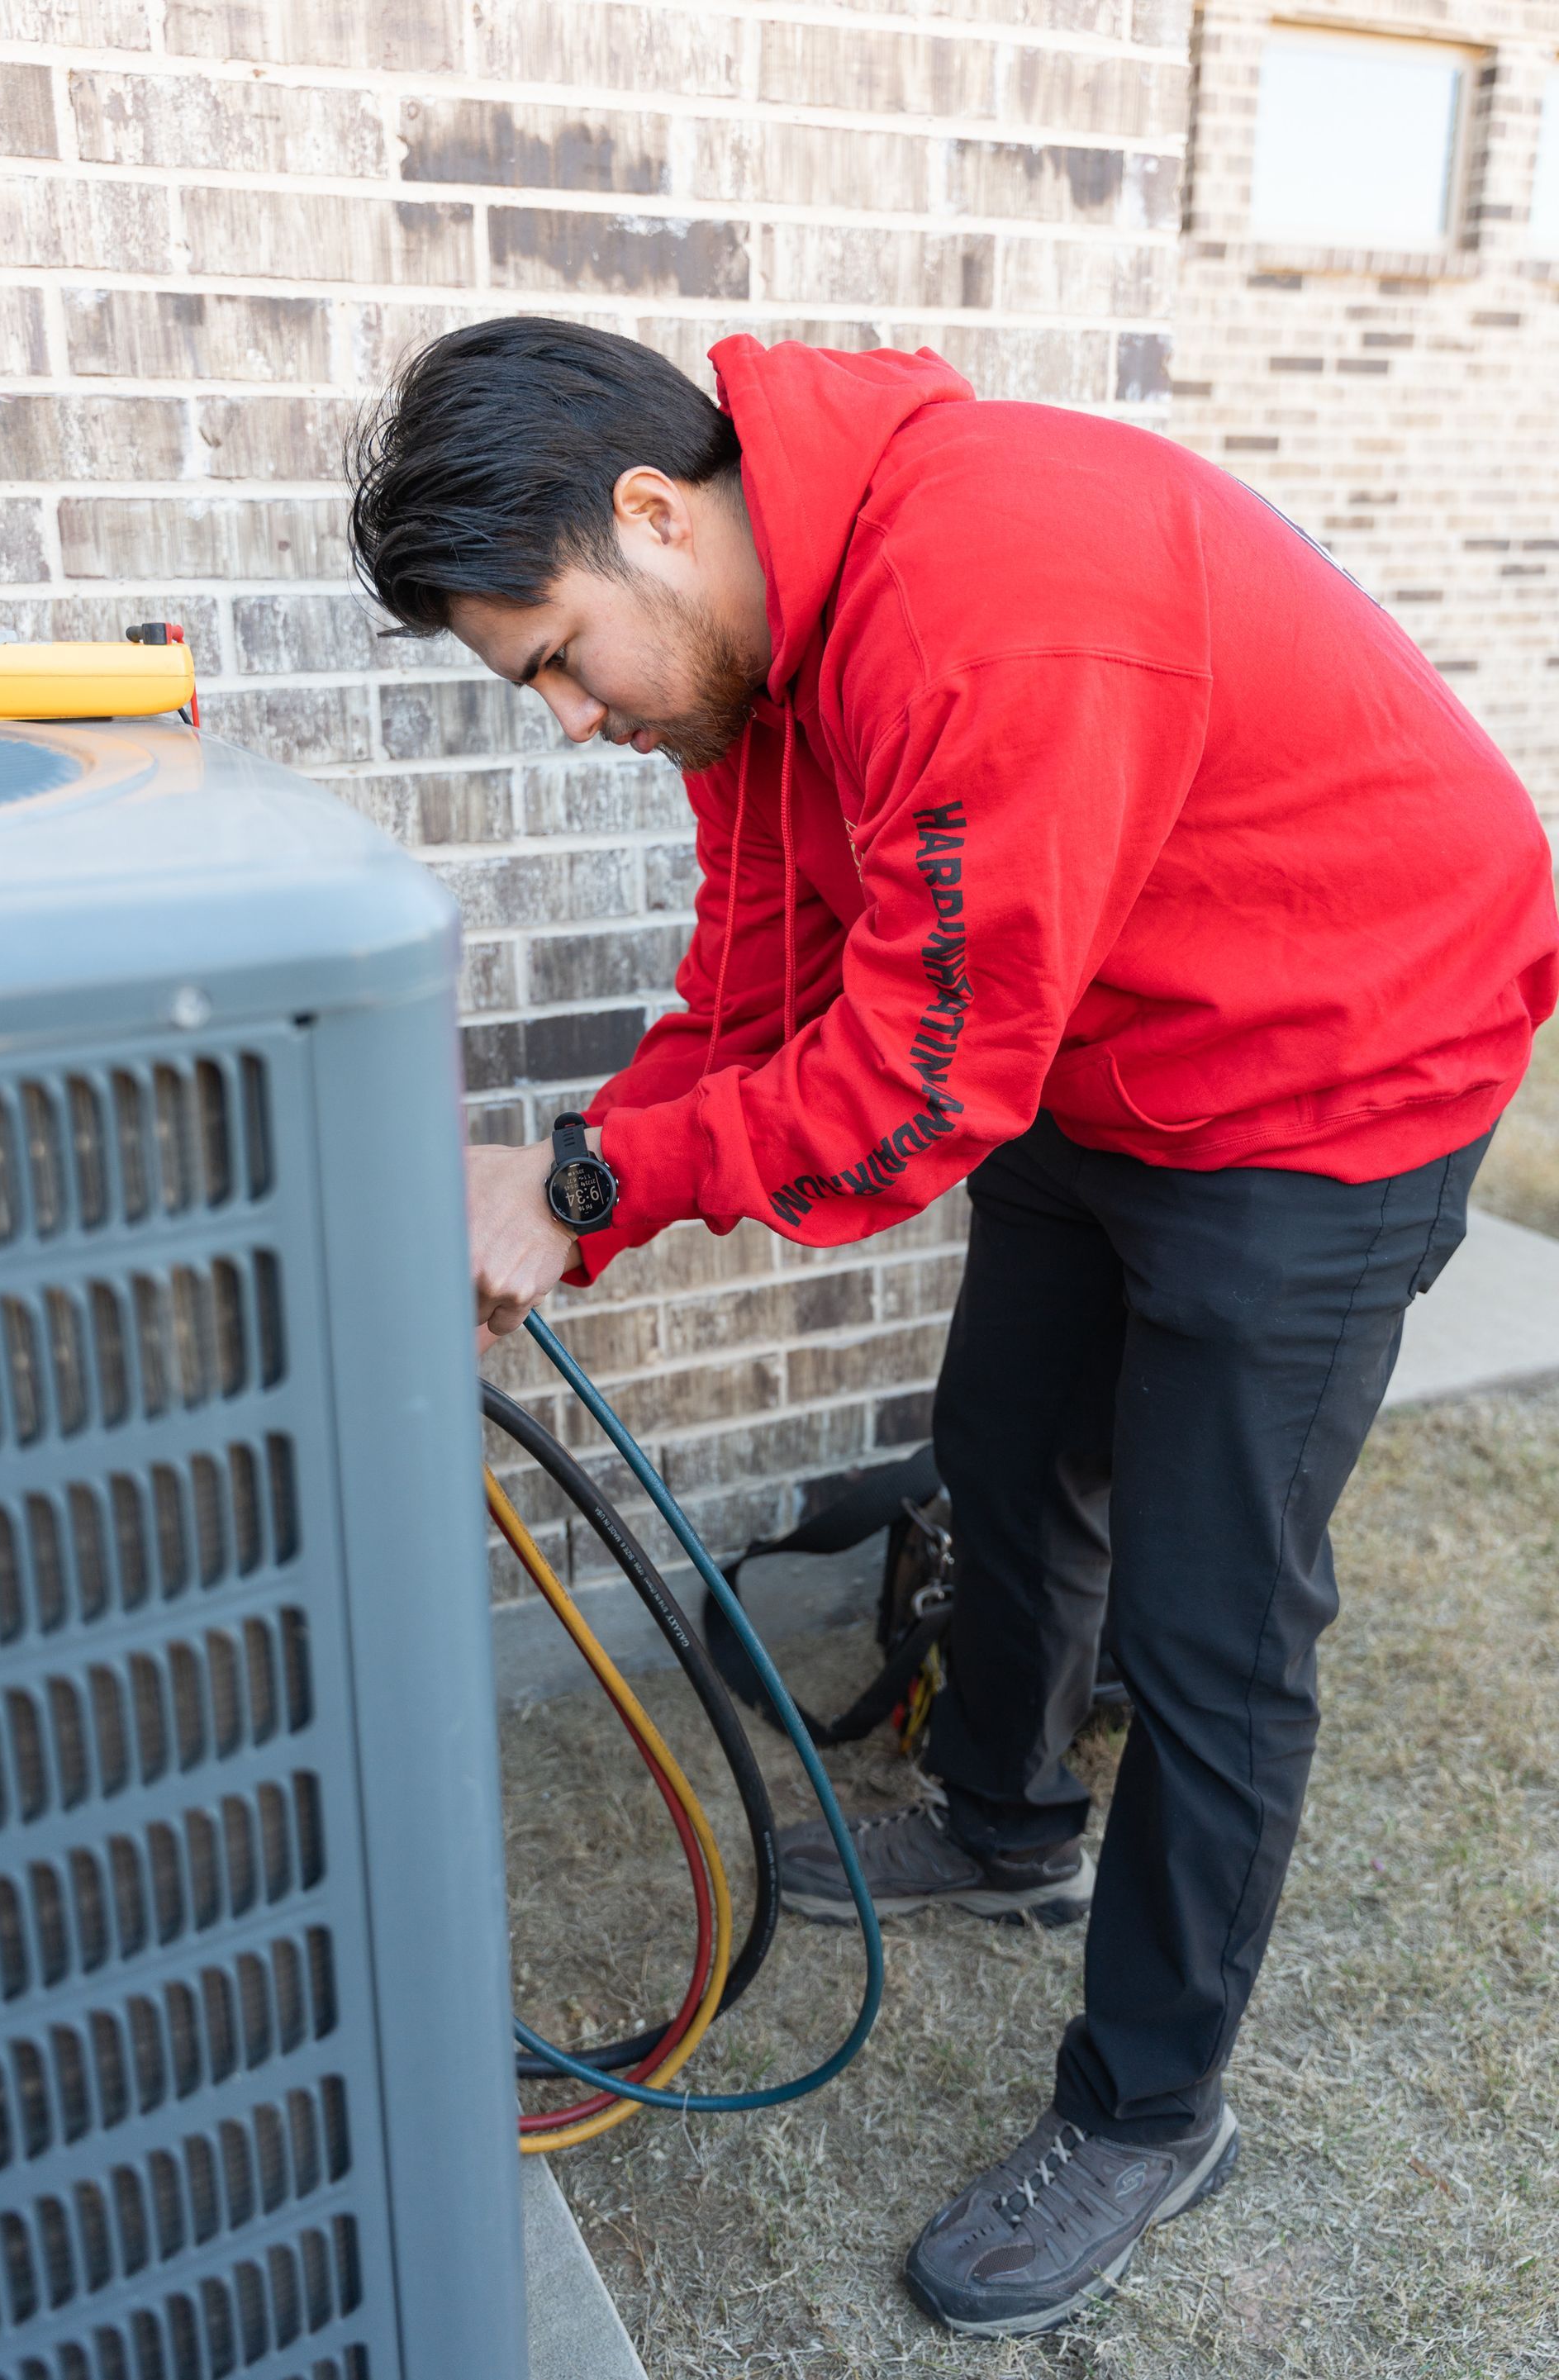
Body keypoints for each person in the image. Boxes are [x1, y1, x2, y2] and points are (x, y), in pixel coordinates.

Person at [348, 318, 1558, 2339]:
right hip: (1104, 1035)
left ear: (654, 514)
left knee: (1211, 1621)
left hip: (1338, 1064)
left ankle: (1156, 2106)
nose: (564, 718)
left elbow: (906, 1099)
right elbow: (758, 981)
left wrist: (579, 1202)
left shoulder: (990, 612)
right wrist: (575, 1160)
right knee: (1006, 1445)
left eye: (556, 654)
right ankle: (1007, 1823)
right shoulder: (768, 656)